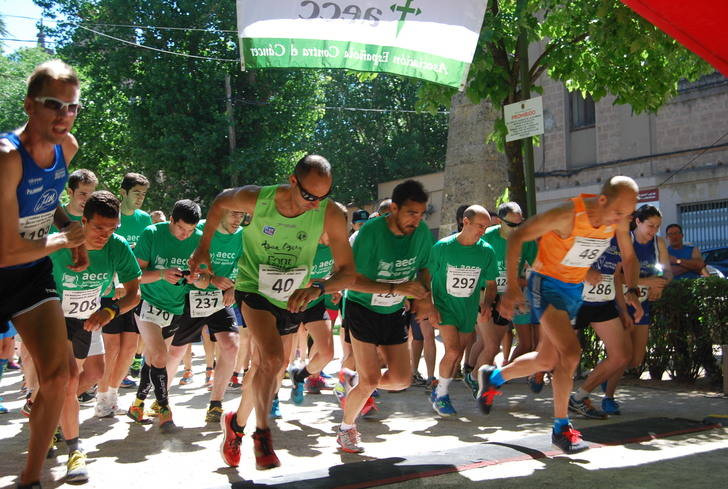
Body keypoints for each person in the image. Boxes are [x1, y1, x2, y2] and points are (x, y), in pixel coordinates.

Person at [190, 154, 355, 470]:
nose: (314, 204)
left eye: (322, 196)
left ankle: (235, 425)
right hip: (254, 288)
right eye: (309, 195)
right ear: (293, 181)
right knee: (274, 359)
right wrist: (203, 246)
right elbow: (220, 202)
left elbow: (348, 271)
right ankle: (261, 436)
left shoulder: (329, 213)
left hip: (294, 296)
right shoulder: (258, 198)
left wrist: (319, 288)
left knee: (268, 369)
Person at [484, 176, 643, 454]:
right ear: (603, 200)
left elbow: (628, 257)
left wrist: (632, 290)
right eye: (619, 212)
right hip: (544, 284)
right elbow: (519, 235)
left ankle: (494, 378)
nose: (622, 219)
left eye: (628, 214)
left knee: (546, 359)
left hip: (573, 290)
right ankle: (561, 428)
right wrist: (510, 287)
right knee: (570, 353)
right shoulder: (567, 215)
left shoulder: (616, 218)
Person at [0, 59, 88, 489]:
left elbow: (48, 197)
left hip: (30, 273)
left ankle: (31, 478)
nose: (64, 115)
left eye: (73, 107)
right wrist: (65, 241)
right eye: (54, 105)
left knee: (61, 375)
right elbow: (6, 249)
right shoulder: (6, 158)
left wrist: (64, 225)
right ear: (29, 105)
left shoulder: (66, 148)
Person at [336, 179, 438, 453]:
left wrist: (425, 297)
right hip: (362, 308)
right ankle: (346, 429)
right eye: (410, 213)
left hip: (393, 310)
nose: (416, 220)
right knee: (370, 380)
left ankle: (352, 382)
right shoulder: (370, 233)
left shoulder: (423, 233)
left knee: (402, 380)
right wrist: (397, 287)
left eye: (421, 214)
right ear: (394, 208)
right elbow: (351, 281)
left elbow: (425, 268)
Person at [51, 191, 141, 481]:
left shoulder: (118, 246)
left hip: (90, 315)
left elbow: (134, 294)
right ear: (83, 221)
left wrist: (111, 311)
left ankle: (50, 412)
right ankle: (75, 451)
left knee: (94, 373)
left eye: (112, 228)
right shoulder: (60, 242)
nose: (106, 234)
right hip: (53, 314)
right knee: (68, 379)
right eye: (99, 227)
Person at [585, 205, 671, 414]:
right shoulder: (625, 240)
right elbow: (617, 276)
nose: (654, 230)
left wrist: (659, 286)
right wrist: (646, 282)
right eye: (650, 225)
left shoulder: (658, 243)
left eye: (657, 226)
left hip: (642, 303)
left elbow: (667, 272)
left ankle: (606, 370)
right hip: (620, 301)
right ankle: (609, 397)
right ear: (638, 223)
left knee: (635, 359)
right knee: (622, 355)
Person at [126, 199, 203, 432]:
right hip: (147, 303)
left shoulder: (199, 239)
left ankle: (137, 404)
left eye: (190, 230)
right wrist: (161, 274)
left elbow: (202, 273)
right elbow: (135, 275)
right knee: (160, 357)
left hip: (175, 307)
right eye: (181, 228)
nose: (185, 234)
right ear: (171, 219)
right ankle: (164, 411)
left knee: (154, 359)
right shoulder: (151, 233)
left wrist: (194, 278)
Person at [166, 210, 245, 424]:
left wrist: (234, 288)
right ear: (220, 213)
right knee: (176, 351)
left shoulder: (243, 236)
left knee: (231, 345)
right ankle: (162, 401)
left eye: (242, 215)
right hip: (191, 295)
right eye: (233, 214)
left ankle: (216, 403)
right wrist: (211, 279)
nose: (238, 219)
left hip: (219, 299)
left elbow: (246, 267)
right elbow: (192, 272)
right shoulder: (200, 232)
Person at [464, 202, 538, 397]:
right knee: (491, 345)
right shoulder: (486, 237)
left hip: (507, 297)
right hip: (484, 295)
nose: (516, 230)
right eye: (511, 225)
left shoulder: (527, 241)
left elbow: (537, 269)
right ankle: (474, 377)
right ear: (499, 221)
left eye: (519, 225)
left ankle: (471, 374)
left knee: (489, 342)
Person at [428, 205, 497, 415]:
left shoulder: (486, 251)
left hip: (467, 310)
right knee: (453, 350)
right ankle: (441, 394)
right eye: (480, 226)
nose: (483, 231)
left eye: (486, 227)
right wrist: (429, 307)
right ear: (465, 222)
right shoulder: (442, 247)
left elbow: (492, 283)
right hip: (444, 307)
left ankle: (439, 389)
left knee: (456, 355)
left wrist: (488, 303)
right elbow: (426, 277)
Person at [96, 172, 152, 413]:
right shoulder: (111, 216)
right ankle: (100, 395)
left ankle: (112, 394)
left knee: (130, 347)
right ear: (123, 192)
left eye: (143, 194)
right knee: (111, 347)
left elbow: (145, 257)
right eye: (136, 193)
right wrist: (112, 281)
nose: (140, 198)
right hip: (109, 291)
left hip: (134, 289)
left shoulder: (145, 219)